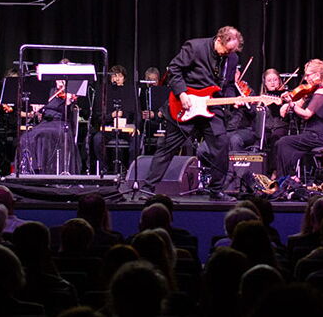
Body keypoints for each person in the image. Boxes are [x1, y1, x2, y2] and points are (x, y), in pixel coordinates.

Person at [142, 26, 244, 199]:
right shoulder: (195, 47)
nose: (226, 54)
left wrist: (234, 100)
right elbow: (173, 70)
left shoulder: (232, 58)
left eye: (231, 52)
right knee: (167, 148)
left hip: (211, 106)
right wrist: (181, 93)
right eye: (226, 50)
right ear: (219, 40)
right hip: (186, 104)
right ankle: (147, 188)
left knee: (222, 144)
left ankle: (216, 189)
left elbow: (227, 86)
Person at [273, 59, 323, 190]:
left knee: (284, 143)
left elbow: (307, 114)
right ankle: (287, 178)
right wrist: (286, 104)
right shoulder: (312, 91)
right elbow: (298, 104)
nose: (306, 78)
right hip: (311, 135)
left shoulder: (322, 92)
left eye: (308, 75)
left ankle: (285, 180)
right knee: (282, 142)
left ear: (317, 75)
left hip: (319, 136)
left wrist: (291, 104)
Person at [93, 65, 141, 175]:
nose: (116, 79)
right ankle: (105, 168)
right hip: (109, 128)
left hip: (127, 128)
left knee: (137, 141)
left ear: (124, 78)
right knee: (97, 140)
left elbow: (138, 113)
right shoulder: (104, 92)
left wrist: (136, 127)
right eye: (114, 76)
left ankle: (130, 171)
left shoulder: (131, 92)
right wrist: (111, 115)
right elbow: (98, 116)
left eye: (119, 76)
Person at [25, 78, 77, 174]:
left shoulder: (69, 93)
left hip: (60, 122)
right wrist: (37, 107)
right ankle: (31, 168)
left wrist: (69, 102)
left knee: (44, 134)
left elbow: (68, 113)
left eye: (63, 80)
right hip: (45, 122)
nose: (60, 82)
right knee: (27, 136)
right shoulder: (49, 91)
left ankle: (47, 169)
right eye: (58, 79)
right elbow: (40, 110)